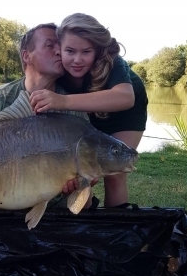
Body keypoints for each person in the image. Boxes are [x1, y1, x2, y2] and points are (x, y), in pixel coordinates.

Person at [0, 23, 95, 205]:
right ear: (26, 55)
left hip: (57, 210)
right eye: (50, 45)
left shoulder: (74, 106)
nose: (59, 52)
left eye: (60, 46)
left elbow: (88, 173)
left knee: (86, 200)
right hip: (2, 208)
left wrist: (81, 181)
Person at [29, 13, 148, 207]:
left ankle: (114, 231)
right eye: (70, 51)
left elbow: (125, 97)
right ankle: (80, 214)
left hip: (126, 112)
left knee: (115, 174)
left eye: (86, 52)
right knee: (77, 169)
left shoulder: (113, 62)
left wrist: (63, 101)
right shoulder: (57, 67)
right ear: (60, 48)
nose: (77, 59)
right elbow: (29, 77)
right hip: (85, 111)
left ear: (97, 50)